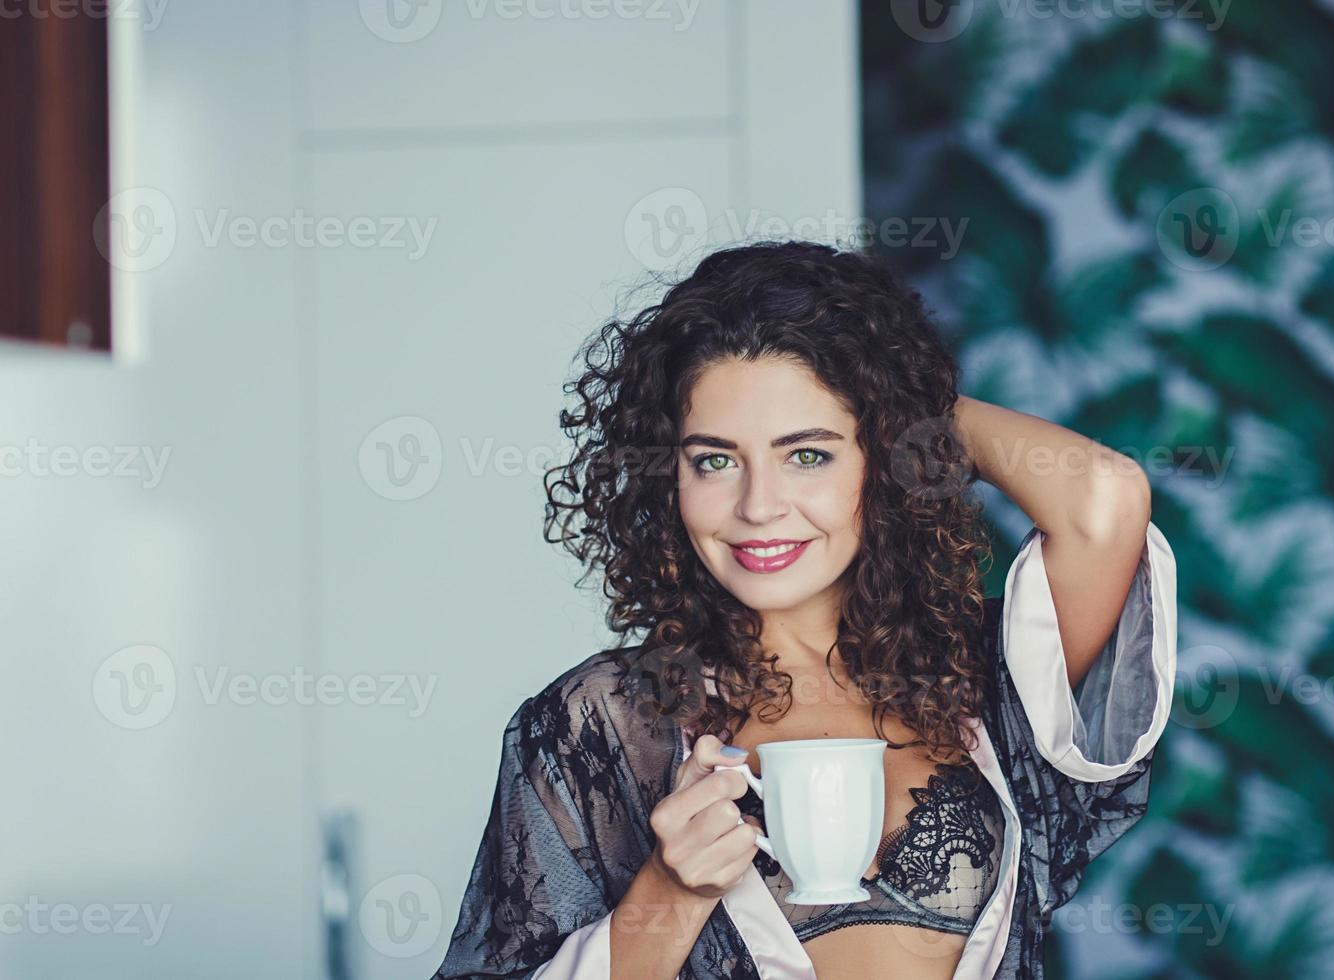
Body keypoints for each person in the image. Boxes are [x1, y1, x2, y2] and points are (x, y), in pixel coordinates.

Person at [429, 240, 1178, 979]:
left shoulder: (984, 672)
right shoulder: (603, 726)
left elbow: (1103, 502)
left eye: (807, 454)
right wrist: (670, 892)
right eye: (714, 460)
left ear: (880, 458)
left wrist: (902, 403)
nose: (758, 507)